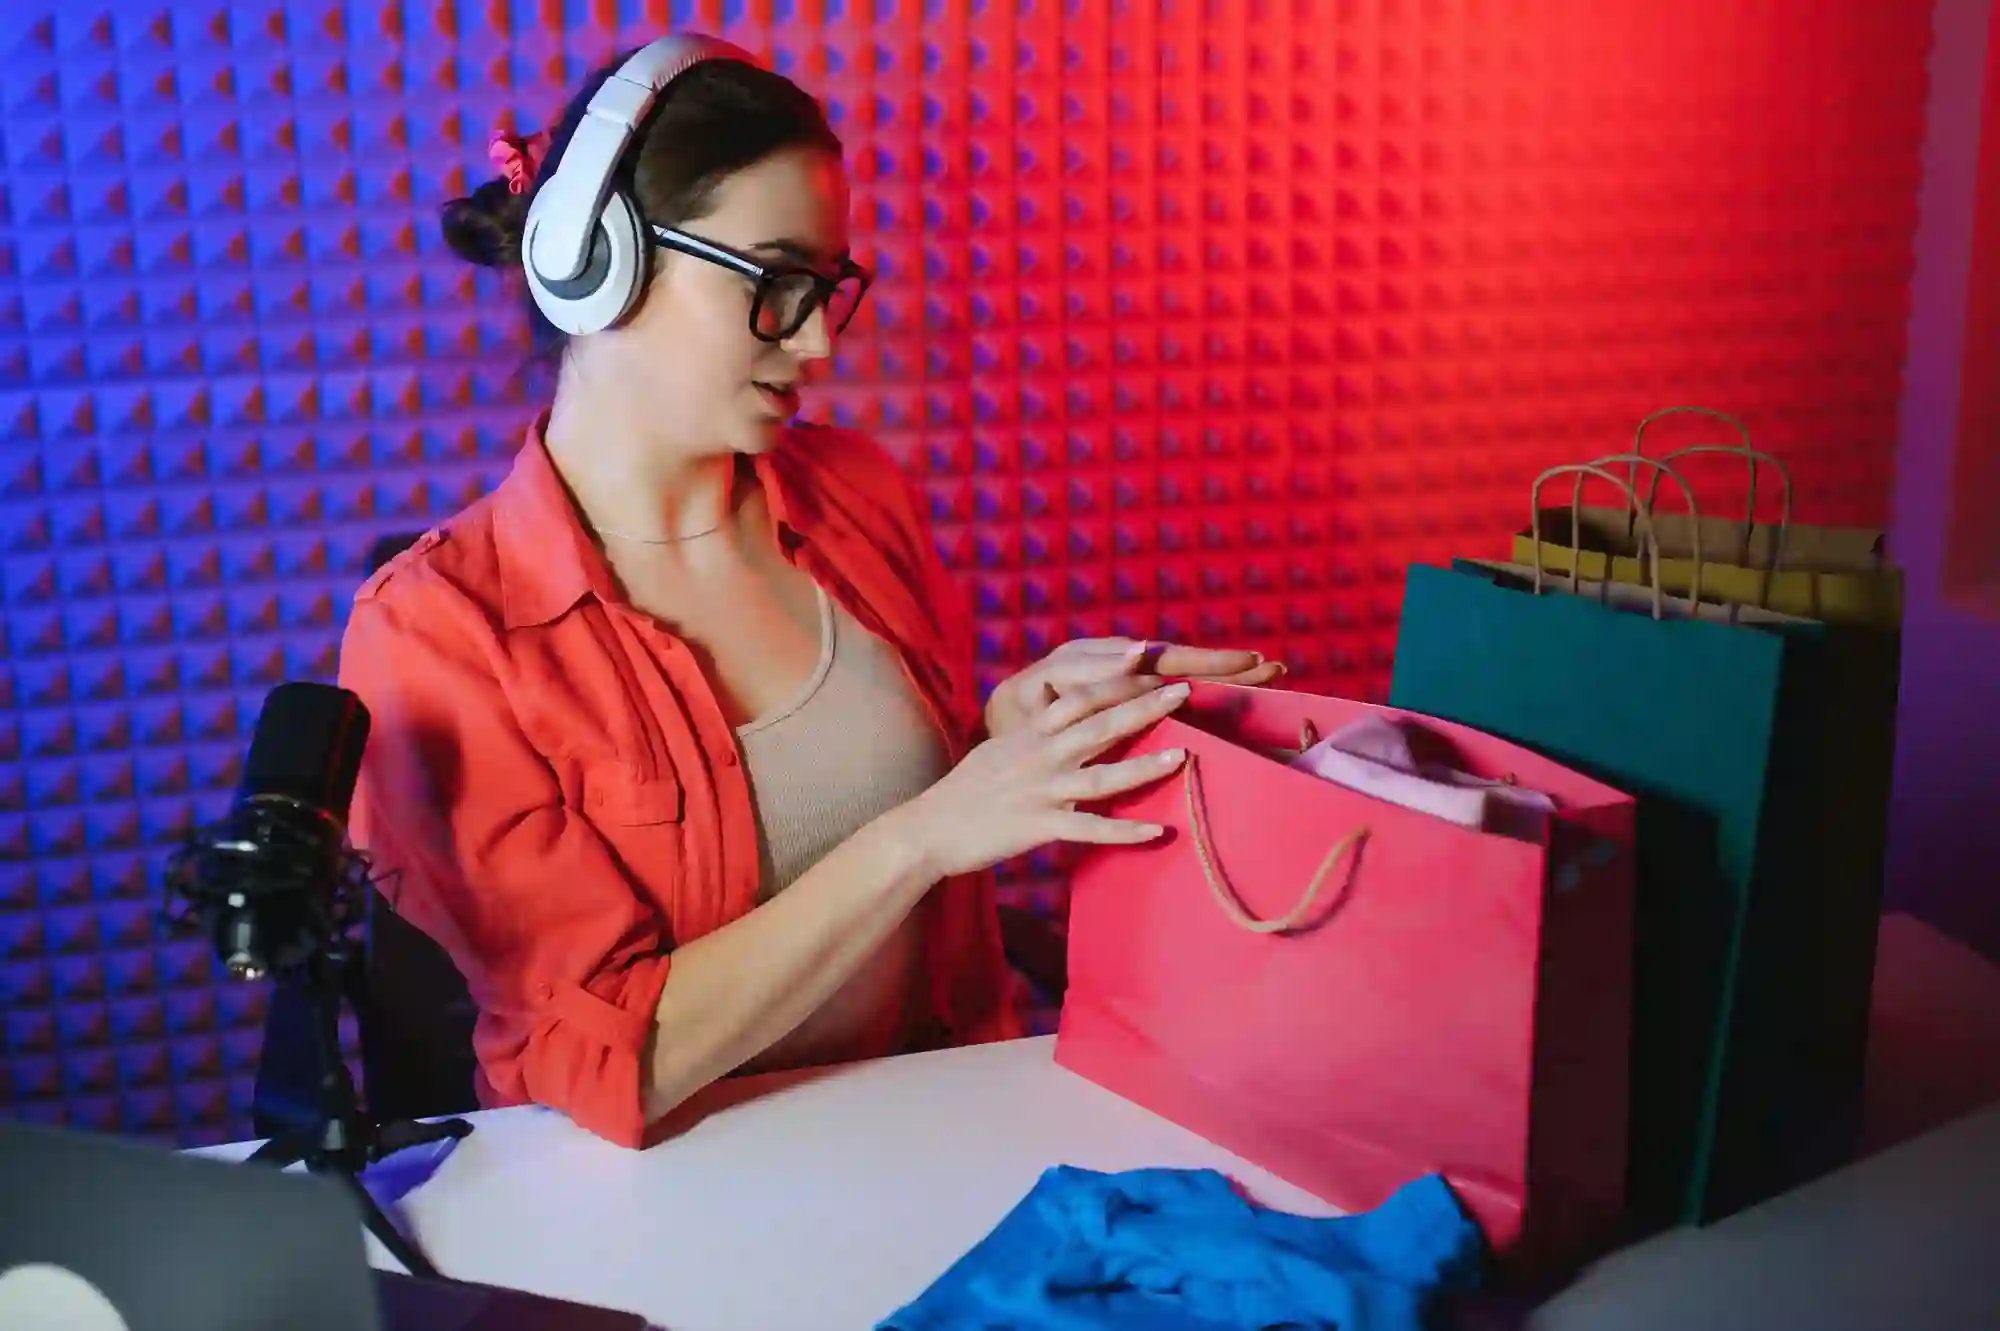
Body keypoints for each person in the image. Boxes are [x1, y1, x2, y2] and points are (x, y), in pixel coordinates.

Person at [335, 36, 1283, 1150]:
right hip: (671, 1193)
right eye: (775, 281)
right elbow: (609, 1058)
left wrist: (1006, 738)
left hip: (936, 1136)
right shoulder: (434, 634)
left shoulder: (857, 495)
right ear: (596, 262)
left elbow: (866, 804)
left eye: (827, 287)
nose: (820, 337)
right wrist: (924, 836)